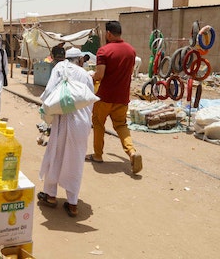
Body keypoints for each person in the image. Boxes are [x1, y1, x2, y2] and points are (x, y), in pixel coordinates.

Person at [37, 47, 94, 217]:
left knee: (55, 155)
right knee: (75, 161)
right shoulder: (85, 74)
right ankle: (73, 203)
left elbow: (48, 92)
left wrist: (46, 113)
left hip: (62, 120)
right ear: (80, 60)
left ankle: (51, 195)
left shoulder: (60, 68)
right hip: (81, 123)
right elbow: (90, 100)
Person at [90, 20, 142, 174]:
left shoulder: (104, 51)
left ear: (108, 34)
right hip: (122, 97)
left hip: (105, 97)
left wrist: (89, 77)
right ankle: (132, 152)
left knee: (98, 123)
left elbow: (99, 75)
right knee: (121, 125)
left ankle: (98, 155)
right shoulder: (131, 51)